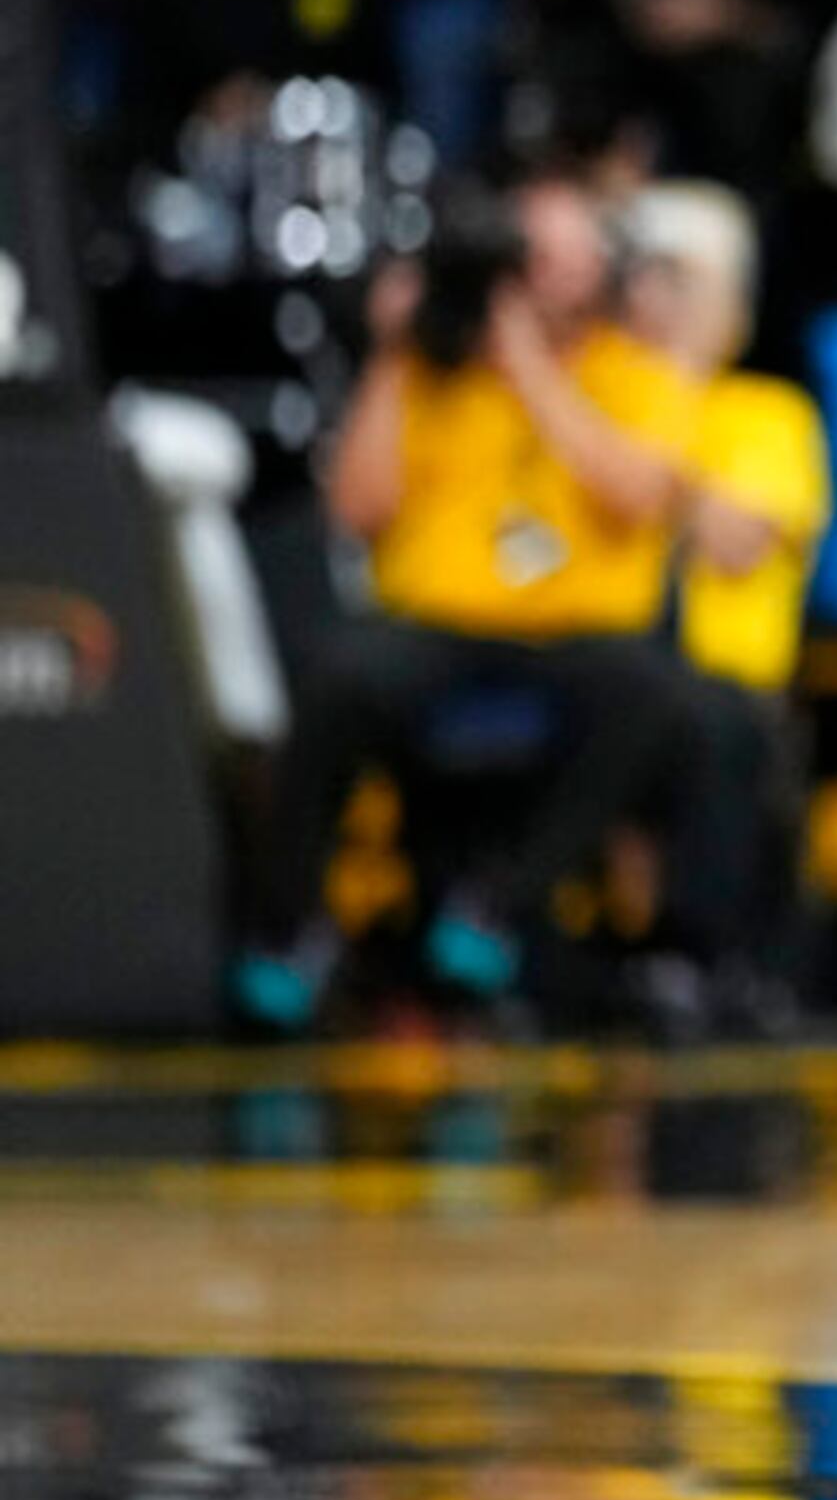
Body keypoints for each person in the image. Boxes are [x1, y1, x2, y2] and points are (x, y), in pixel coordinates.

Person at [240, 169, 702, 1027]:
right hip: (440, 629)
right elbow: (353, 510)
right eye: (528, 255)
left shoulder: (637, 373)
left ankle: (497, 901)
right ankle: (291, 926)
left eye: (563, 255)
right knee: (337, 673)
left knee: (657, 693)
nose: (541, 275)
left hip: (576, 635)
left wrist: (528, 362)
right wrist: (390, 349)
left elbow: (638, 491)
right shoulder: (429, 370)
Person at [624, 182, 831, 1031]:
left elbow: (735, 538)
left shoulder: (770, 414)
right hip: (619, 668)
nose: (660, 305)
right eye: (648, 281)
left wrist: (660, 404)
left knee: (717, 727)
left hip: (731, 679)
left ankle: (702, 953)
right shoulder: (599, 399)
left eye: (685, 284)